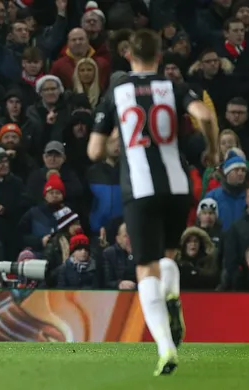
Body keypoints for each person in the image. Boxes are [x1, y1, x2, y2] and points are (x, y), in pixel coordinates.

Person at [87, 29, 219, 376]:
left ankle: (166, 348)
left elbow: (95, 150)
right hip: (177, 186)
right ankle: (173, 296)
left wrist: (117, 142)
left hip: (140, 189)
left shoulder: (117, 90)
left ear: (128, 55)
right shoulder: (172, 87)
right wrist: (213, 149)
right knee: (168, 257)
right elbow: (204, 116)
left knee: (145, 268)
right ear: (160, 56)